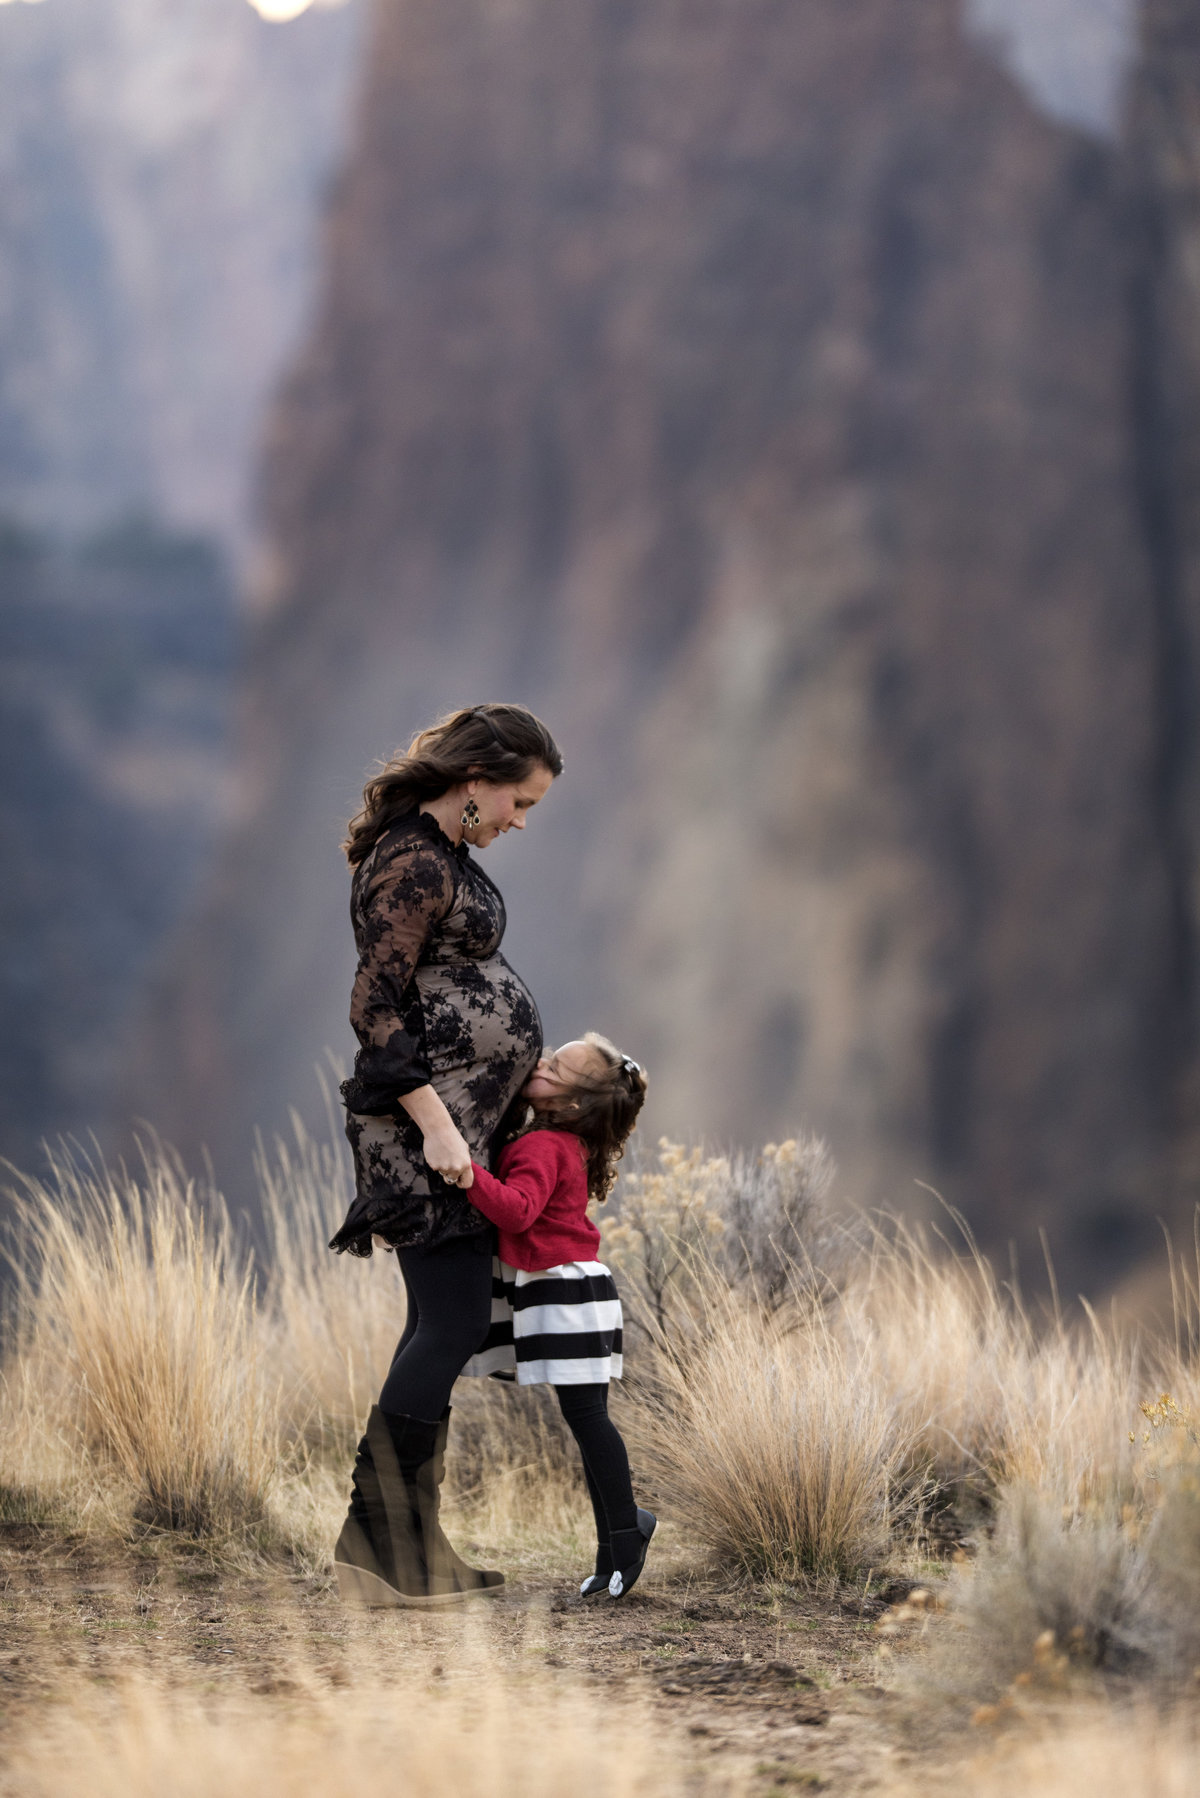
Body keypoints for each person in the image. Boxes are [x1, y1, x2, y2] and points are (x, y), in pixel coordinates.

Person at [329, 703, 562, 1609]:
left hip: (461, 1133)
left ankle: (403, 1544)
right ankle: (376, 1541)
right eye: (519, 800)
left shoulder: (442, 854)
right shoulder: (413, 859)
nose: (519, 821)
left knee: (439, 1323)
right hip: (428, 1138)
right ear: (477, 780)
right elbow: (373, 1009)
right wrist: (436, 1125)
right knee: (452, 1324)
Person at [462, 1033, 656, 1601]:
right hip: (579, 1290)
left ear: (571, 1104)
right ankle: (612, 1551)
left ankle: (627, 1532)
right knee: (587, 1420)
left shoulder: (546, 1145)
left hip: (565, 1295)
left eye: (554, 1068)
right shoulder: (560, 1138)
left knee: (590, 1423)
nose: (539, 1065)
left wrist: (467, 1173)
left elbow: (518, 1212)